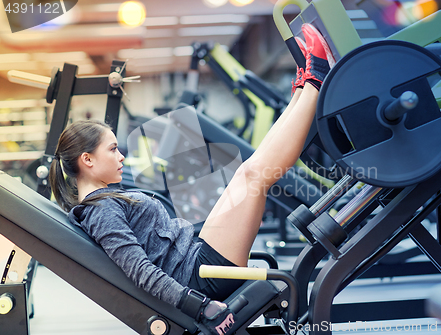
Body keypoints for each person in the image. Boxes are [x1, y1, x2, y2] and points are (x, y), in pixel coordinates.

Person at [48, 23, 334, 335]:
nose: (121, 157)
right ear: (86, 160)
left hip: (195, 257)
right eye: (113, 149)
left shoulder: (102, 202)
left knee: (246, 172)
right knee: (254, 176)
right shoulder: (100, 211)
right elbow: (139, 271)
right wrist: (198, 305)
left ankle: (304, 89)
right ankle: (315, 82)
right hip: (199, 277)